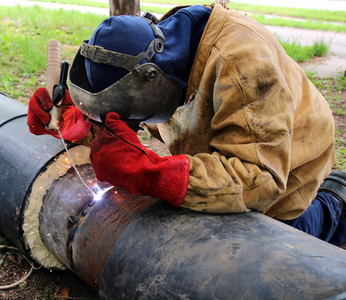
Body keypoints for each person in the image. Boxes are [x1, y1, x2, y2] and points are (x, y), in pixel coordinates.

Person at [27, 2, 346, 246]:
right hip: (228, 139)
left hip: (288, 163)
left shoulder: (243, 67)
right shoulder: (162, 48)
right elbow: (121, 97)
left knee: (270, 238)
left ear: (152, 82)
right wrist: (78, 117)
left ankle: (336, 202)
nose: (118, 123)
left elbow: (257, 182)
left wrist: (150, 172)